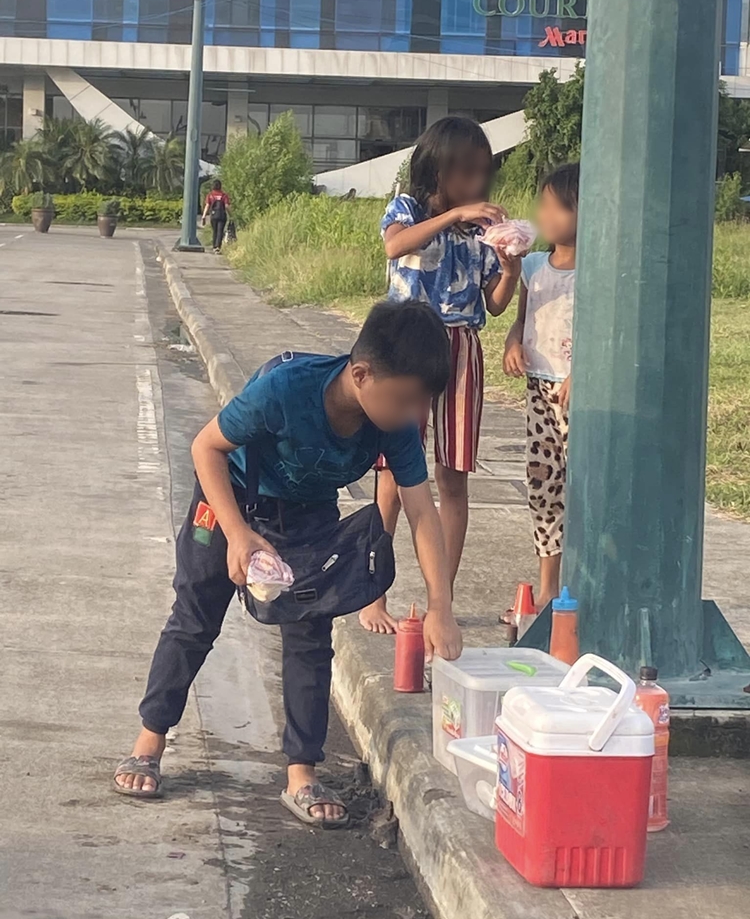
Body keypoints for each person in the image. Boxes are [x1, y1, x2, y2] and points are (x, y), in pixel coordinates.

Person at [113, 300, 463, 826]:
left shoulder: (395, 425)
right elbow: (206, 447)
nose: (417, 416)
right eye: (408, 400)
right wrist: (238, 535)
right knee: (195, 619)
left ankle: (302, 772)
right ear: (363, 375)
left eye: (424, 403)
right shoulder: (286, 389)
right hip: (230, 498)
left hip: (309, 513)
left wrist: (441, 604)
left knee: (309, 635)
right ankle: (150, 741)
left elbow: (420, 509)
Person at [360, 116, 521, 635]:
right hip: (409, 347)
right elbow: (394, 246)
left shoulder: (481, 230)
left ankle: (440, 602)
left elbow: (493, 305)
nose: (476, 184)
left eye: (481, 174)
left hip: (460, 348)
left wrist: (510, 265)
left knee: (454, 479)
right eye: (465, 172)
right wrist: (455, 213)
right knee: (391, 478)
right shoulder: (407, 208)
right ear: (438, 169)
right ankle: (373, 595)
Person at [502, 162, 578, 610]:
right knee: (542, 485)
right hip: (538, 391)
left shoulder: (595, 272)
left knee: (579, 485)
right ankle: (546, 586)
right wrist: (513, 342)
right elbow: (520, 320)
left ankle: (576, 585)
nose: (545, 215)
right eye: (543, 205)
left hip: (575, 395)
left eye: (558, 207)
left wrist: (581, 373)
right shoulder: (532, 266)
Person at [201, 179, 230, 251]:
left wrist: (204, 216)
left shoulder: (210, 195)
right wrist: (231, 214)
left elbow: (207, 206)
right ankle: (218, 247)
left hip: (213, 215)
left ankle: (214, 246)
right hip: (222, 215)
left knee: (215, 231)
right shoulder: (224, 195)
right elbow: (226, 206)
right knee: (220, 231)